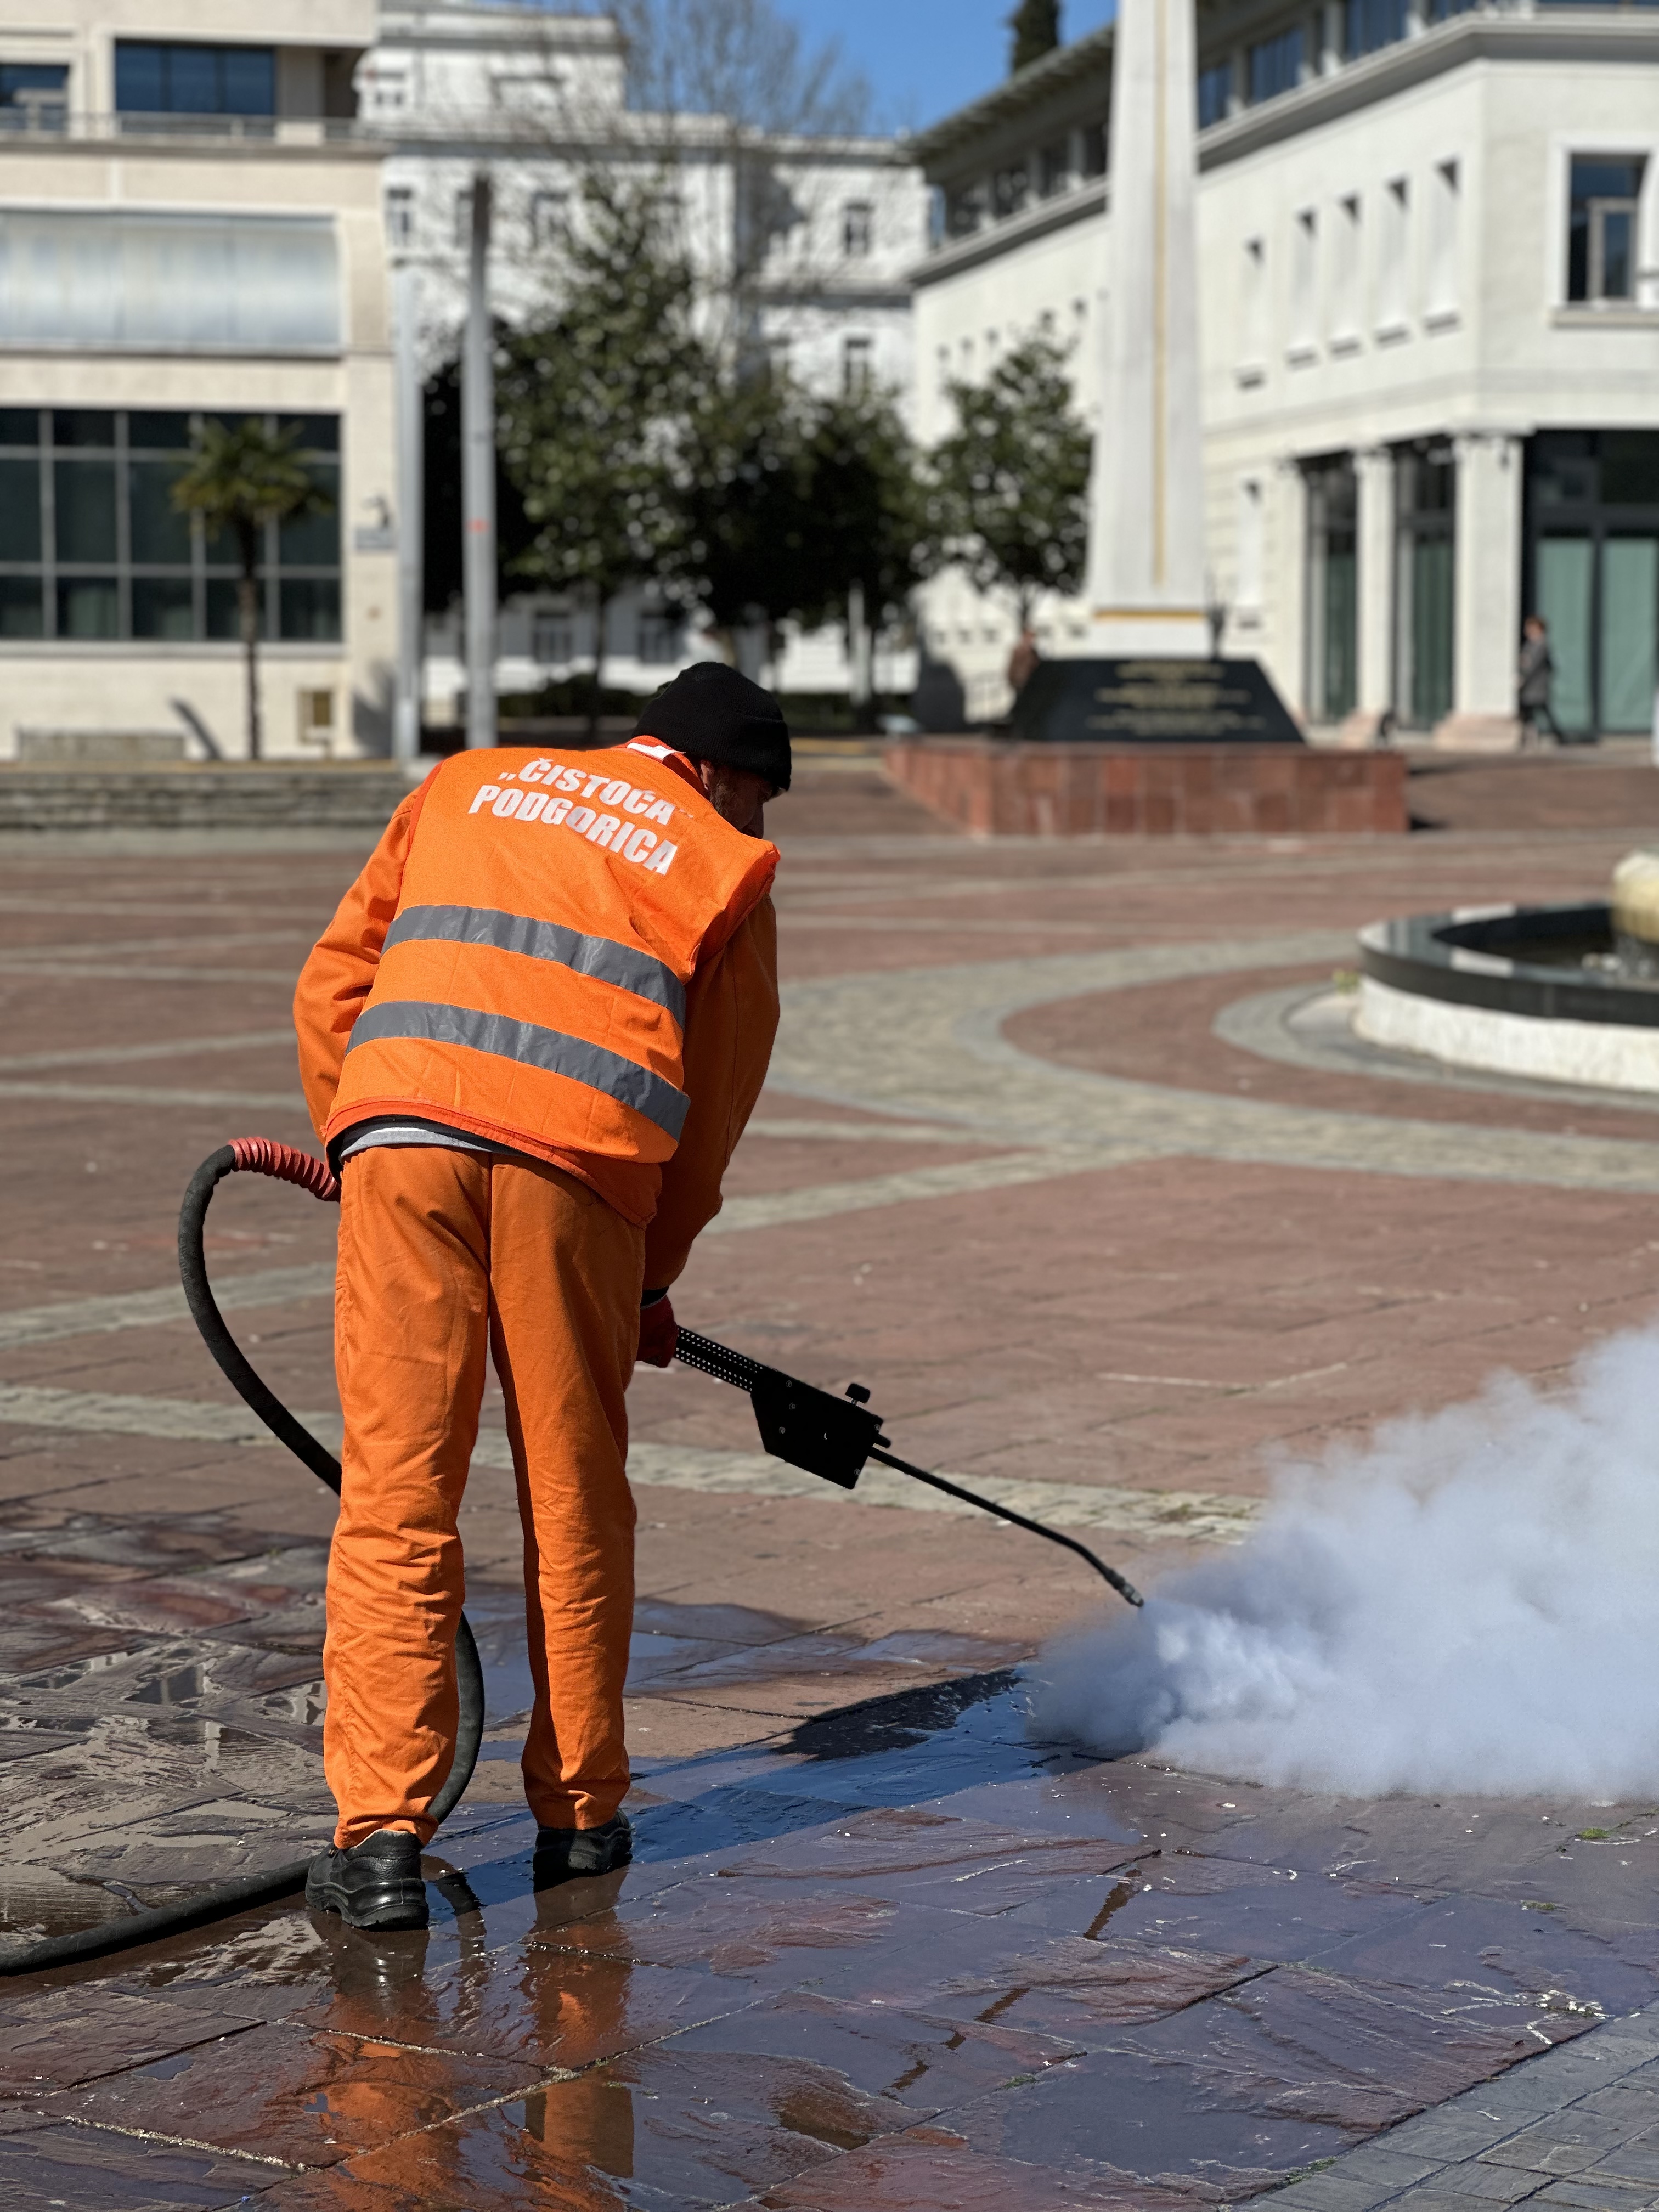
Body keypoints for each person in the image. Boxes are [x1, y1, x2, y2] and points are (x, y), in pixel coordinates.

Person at [292, 662, 787, 1929]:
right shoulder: (721, 860)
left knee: (399, 1493)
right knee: (574, 1499)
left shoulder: (467, 781)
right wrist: (649, 1278)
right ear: (728, 778)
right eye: (761, 804)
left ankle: (382, 1842)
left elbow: (333, 987)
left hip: (402, 1142)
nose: (760, 831)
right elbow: (711, 1114)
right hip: (578, 1175)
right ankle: (580, 1815)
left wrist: (360, 1148)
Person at [1517, 615, 1563, 747]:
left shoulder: (1542, 645)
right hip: (1531, 686)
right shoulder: (1530, 644)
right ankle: (1530, 737)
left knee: (1540, 711)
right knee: (1530, 713)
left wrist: (1523, 677)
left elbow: (1532, 665)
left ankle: (1557, 736)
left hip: (1536, 685)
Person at [1007, 625, 1041, 695]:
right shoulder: (1018, 651)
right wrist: (1013, 681)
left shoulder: (1034, 652)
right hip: (1020, 684)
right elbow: (1012, 668)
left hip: (1032, 684)